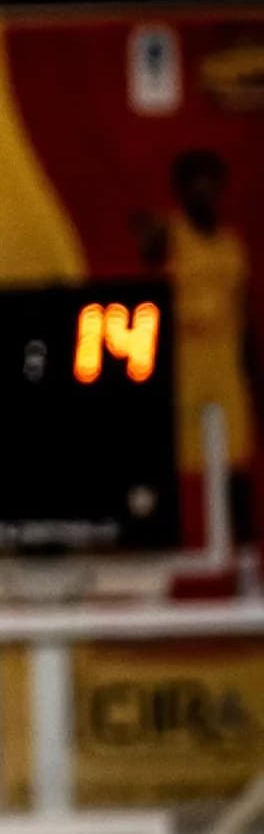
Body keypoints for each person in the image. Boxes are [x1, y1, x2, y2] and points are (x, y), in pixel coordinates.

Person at [136, 149, 260, 597]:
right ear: (181, 188)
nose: (203, 189)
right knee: (170, 474)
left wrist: (252, 376)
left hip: (225, 369)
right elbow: (147, 246)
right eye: (194, 181)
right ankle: (158, 574)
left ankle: (247, 568)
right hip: (182, 369)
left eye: (211, 180)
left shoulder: (231, 245)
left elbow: (243, 316)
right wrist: (149, 231)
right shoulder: (171, 234)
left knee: (235, 474)